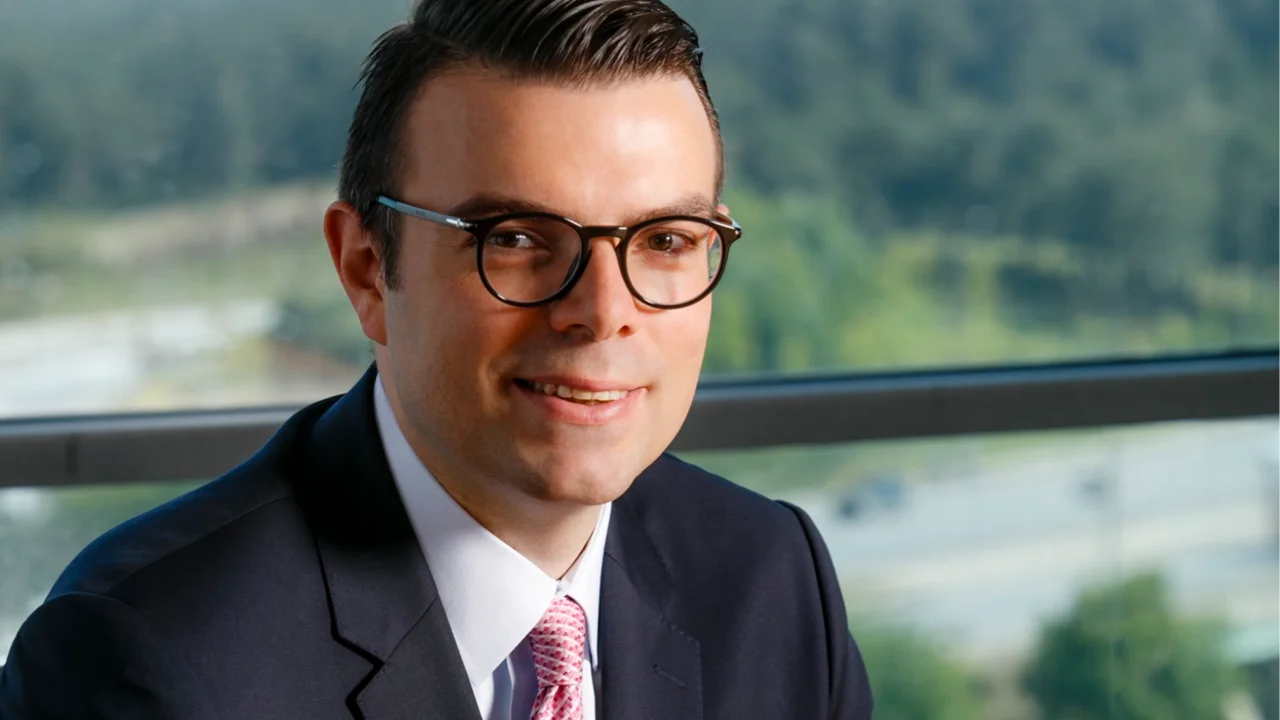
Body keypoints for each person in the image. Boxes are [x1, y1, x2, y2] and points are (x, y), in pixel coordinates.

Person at [0, 0, 873, 717]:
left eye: (666, 240)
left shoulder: (771, 574)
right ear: (366, 269)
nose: (605, 313)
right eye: (517, 239)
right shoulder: (144, 657)